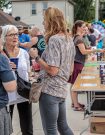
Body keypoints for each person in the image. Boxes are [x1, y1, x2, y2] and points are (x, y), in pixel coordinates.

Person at [29, 7, 75, 135]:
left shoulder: (55, 39)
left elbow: (53, 70)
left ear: (51, 21)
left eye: (44, 20)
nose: (43, 23)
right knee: (63, 127)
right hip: (61, 89)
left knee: (50, 130)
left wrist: (36, 57)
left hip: (50, 90)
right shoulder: (69, 39)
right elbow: (70, 69)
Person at [1, 25, 33, 135]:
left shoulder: (23, 53)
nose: (15, 37)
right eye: (11, 34)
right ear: (4, 37)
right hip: (6, 95)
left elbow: (28, 73)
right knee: (5, 128)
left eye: (16, 34)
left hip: (23, 93)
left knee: (27, 128)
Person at [68, 20, 105, 111]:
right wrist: (96, 50)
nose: (86, 28)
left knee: (73, 84)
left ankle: (74, 102)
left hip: (77, 62)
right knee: (75, 85)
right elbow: (83, 51)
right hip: (77, 63)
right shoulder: (79, 38)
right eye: (84, 26)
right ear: (78, 27)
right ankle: (76, 105)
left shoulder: (77, 37)